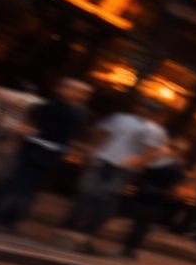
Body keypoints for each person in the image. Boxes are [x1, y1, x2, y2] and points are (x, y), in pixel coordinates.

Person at [0, 78, 93, 228]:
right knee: (18, 180)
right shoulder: (60, 106)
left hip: (49, 151)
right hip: (35, 145)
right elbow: (35, 117)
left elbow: (74, 128)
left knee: (27, 184)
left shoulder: (76, 111)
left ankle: (10, 215)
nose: (63, 90)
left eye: (69, 89)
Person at [65, 100, 168, 252]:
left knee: (101, 200)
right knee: (91, 196)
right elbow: (101, 132)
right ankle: (76, 230)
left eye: (150, 110)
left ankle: (84, 233)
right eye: (146, 108)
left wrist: (136, 162)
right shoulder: (123, 118)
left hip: (119, 166)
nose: (145, 112)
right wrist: (93, 149)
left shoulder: (152, 129)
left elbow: (151, 154)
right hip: (109, 161)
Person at [121, 137, 190, 258]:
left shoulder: (173, 164)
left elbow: (175, 181)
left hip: (156, 196)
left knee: (143, 224)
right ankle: (130, 247)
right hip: (150, 194)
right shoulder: (165, 161)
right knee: (140, 223)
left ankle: (131, 248)